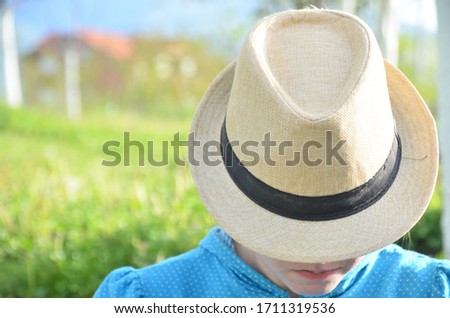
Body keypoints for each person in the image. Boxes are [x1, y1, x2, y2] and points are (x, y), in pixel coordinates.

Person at [94, 9, 450, 298]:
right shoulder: (152, 299)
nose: (323, 258)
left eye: (343, 230)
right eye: (296, 234)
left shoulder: (429, 294)